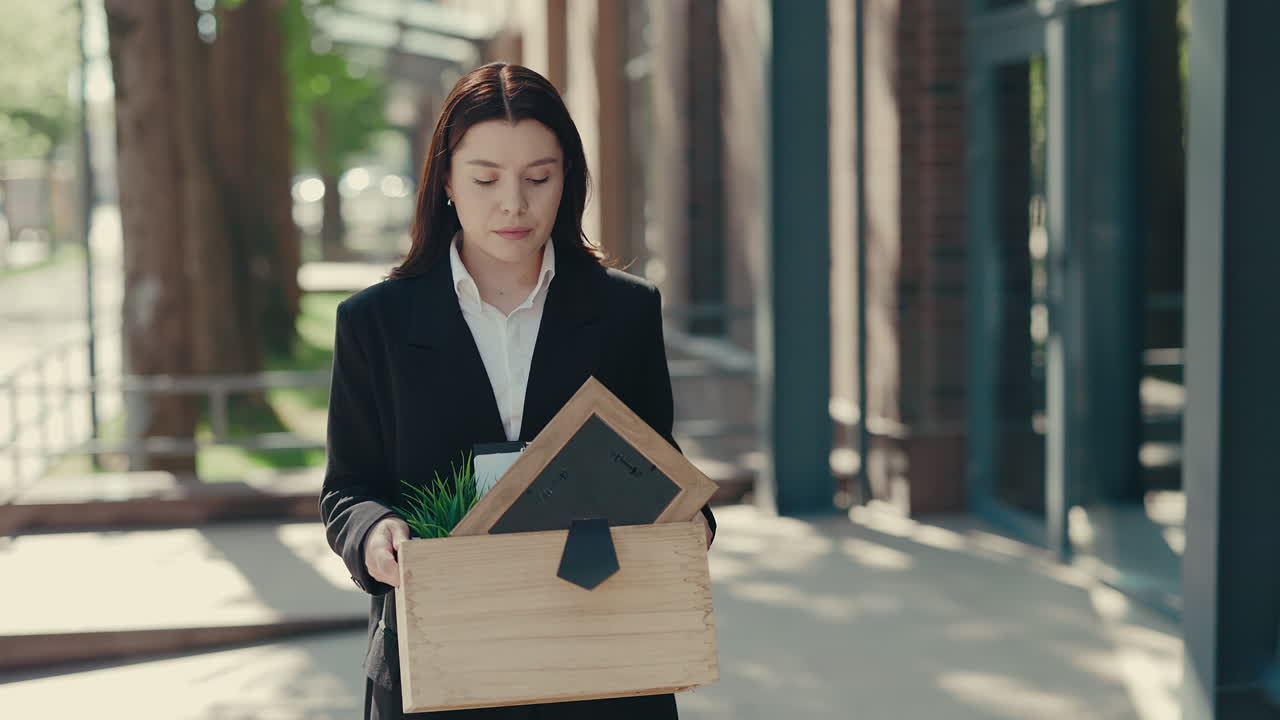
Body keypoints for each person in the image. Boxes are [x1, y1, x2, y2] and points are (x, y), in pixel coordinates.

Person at [320, 62, 717, 720]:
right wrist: (374, 533)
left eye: (539, 178)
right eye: (486, 179)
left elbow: (652, 466)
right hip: (437, 665)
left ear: (569, 180)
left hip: (604, 662)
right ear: (444, 180)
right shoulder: (375, 323)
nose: (514, 203)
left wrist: (689, 522)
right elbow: (348, 489)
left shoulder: (625, 313)